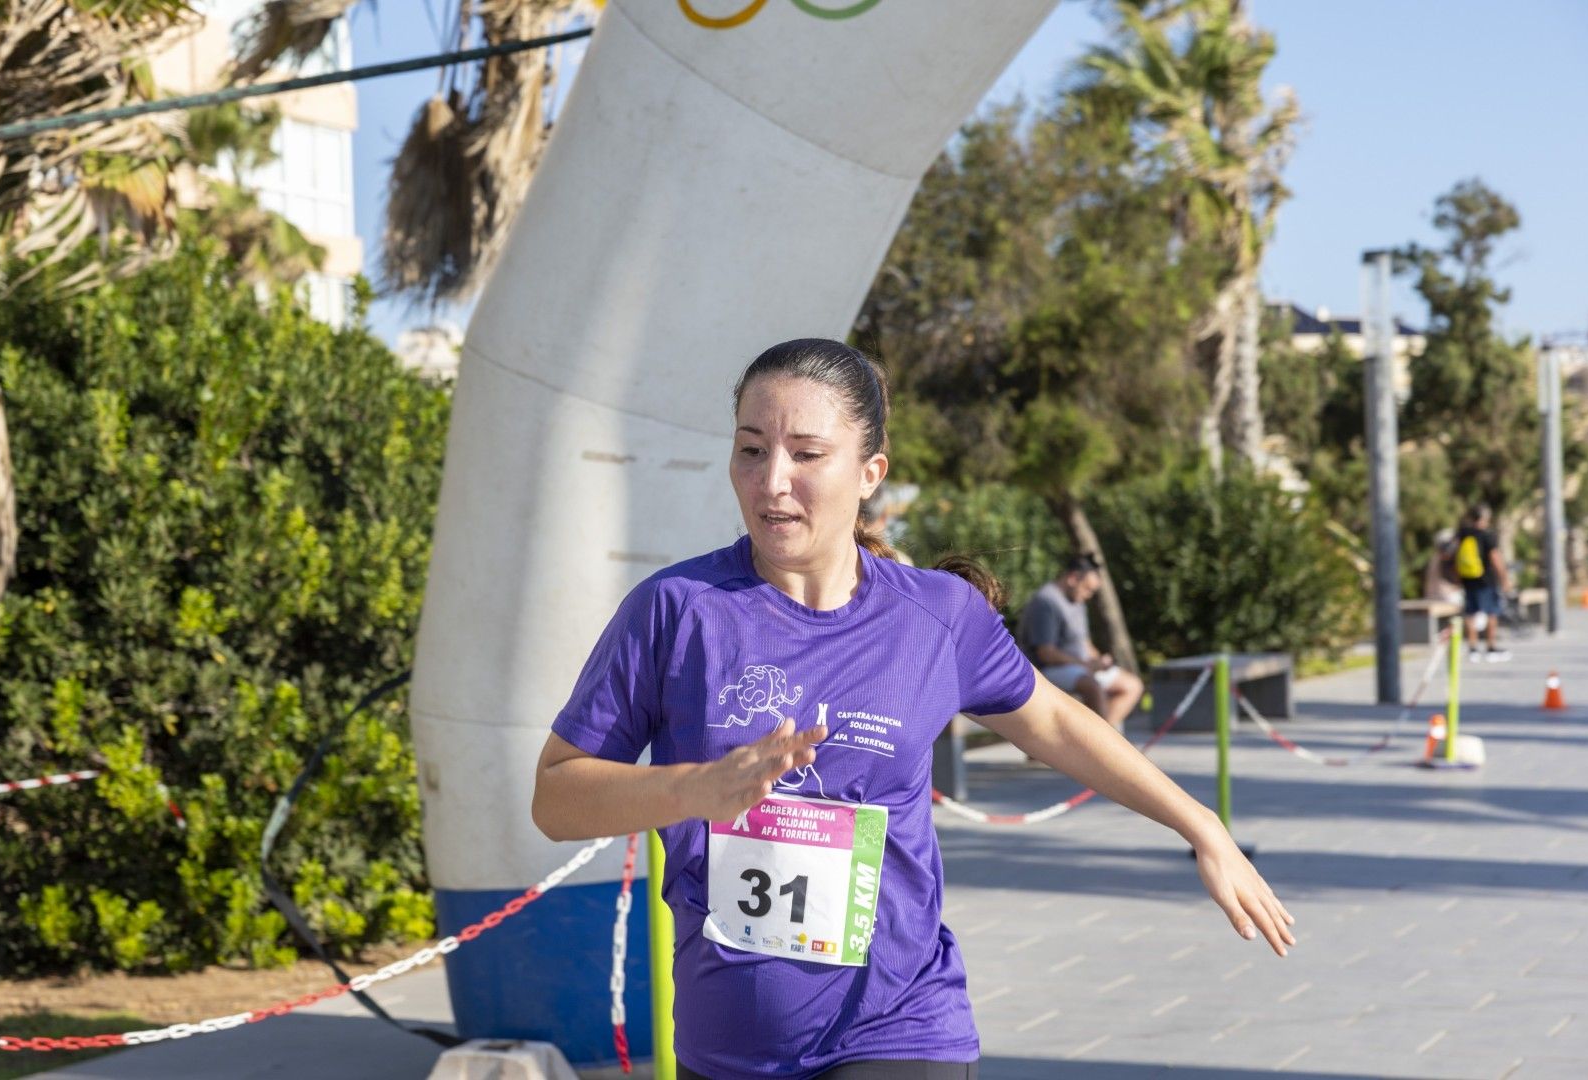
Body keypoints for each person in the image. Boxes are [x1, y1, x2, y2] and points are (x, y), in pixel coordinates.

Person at [531, 339, 1294, 1079]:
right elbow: (556, 798)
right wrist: (694, 790)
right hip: (725, 1041)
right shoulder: (676, 611)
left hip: (897, 1021)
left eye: (805, 453)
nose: (771, 482)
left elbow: (1058, 723)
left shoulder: (936, 617)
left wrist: (1200, 825)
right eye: (751, 449)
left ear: (870, 472)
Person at [1015, 555, 1145, 733]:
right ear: (1073, 578)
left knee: (1132, 685)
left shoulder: (1077, 601)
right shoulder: (1046, 602)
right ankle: (1102, 746)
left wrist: (1100, 660)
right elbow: (1047, 653)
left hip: (1080, 667)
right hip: (1045, 670)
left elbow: (1084, 642)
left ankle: (1101, 737)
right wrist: (1086, 665)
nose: (1088, 596)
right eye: (1087, 589)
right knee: (1093, 686)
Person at [1454, 504, 1513, 662]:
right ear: (1484, 518)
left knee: (1470, 613)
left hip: (1468, 580)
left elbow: (1456, 557)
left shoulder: (1463, 534)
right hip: (1486, 580)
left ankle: (1473, 648)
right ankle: (1490, 647)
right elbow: (1495, 558)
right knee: (1491, 612)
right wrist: (1504, 578)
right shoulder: (1487, 535)